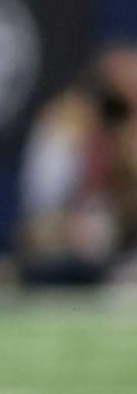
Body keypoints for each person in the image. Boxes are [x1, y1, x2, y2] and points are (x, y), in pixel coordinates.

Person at [17, 45, 137, 285]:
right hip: (67, 237)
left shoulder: (127, 133)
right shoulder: (65, 126)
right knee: (93, 229)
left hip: (123, 239)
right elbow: (40, 211)